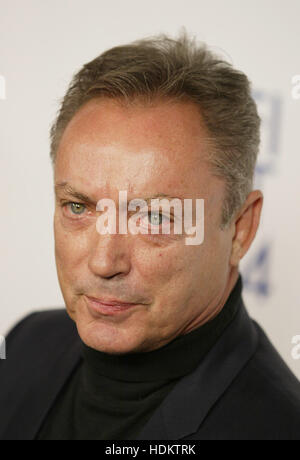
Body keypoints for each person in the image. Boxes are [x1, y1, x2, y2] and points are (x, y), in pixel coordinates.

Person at [1, 31, 299, 441]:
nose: (104, 262)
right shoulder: (24, 345)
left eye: (155, 217)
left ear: (241, 228)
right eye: (78, 207)